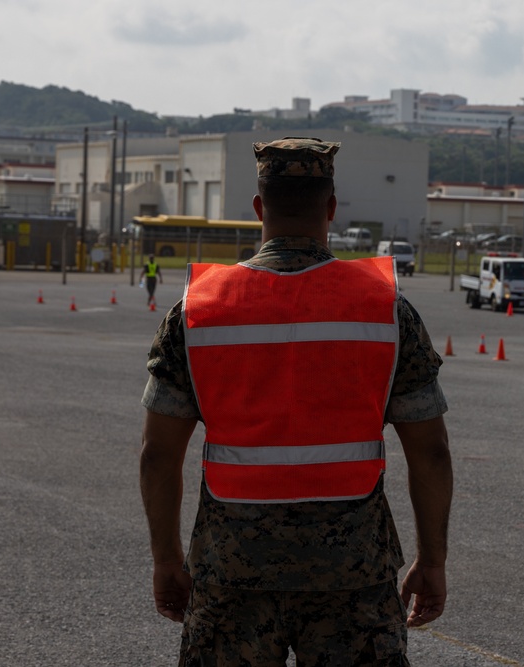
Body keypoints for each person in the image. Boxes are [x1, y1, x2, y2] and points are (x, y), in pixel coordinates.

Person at [139, 137, 453, 666]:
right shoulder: (384, 309)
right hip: (352, 573)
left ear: (259, 206)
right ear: (330, 208)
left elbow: (158, 453)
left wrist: (167, 557)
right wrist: (433, 559)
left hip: (232, 570)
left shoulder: (198, 310)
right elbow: (431, 452)